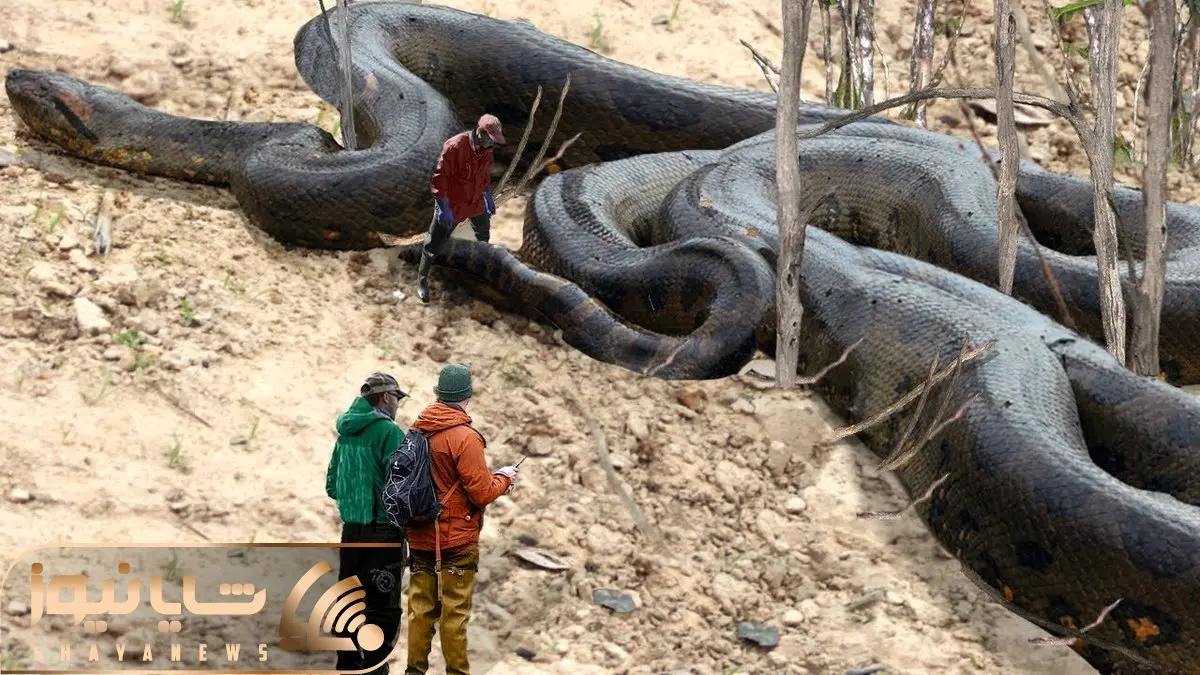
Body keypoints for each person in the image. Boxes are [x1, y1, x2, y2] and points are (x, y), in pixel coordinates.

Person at [403, 363, 518, 675]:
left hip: (420, 536)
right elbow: (481, 493)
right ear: (467, 395)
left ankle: (414, 671)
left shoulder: (417, 429)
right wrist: (505, 478)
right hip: (456, 540)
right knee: (454, 614)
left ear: (439, 394)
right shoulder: (465, 438)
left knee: (420, 611)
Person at [326, 372, 410, 675]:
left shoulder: (346, 433)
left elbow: (332, 485)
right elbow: (402, 485)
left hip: (351, 531)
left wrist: (356, 502)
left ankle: (347, 668)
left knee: (348, 602)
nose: (398, 405)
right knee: (382, 608)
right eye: (397, 398)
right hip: (383, 533)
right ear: (386, 398)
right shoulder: (389, 432)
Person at [416, 114, 507, 303]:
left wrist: (487, 196)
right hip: (453, 203)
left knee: (483, 235)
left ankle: (480, 273)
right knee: (433, 244)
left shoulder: (487, 150)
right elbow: (440, 178)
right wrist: (443, 207)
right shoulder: (455, 146)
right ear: (481, 133)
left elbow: (484, 177)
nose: (493, 145)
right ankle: (422, 281)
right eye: (491, 139)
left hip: (475, 202)